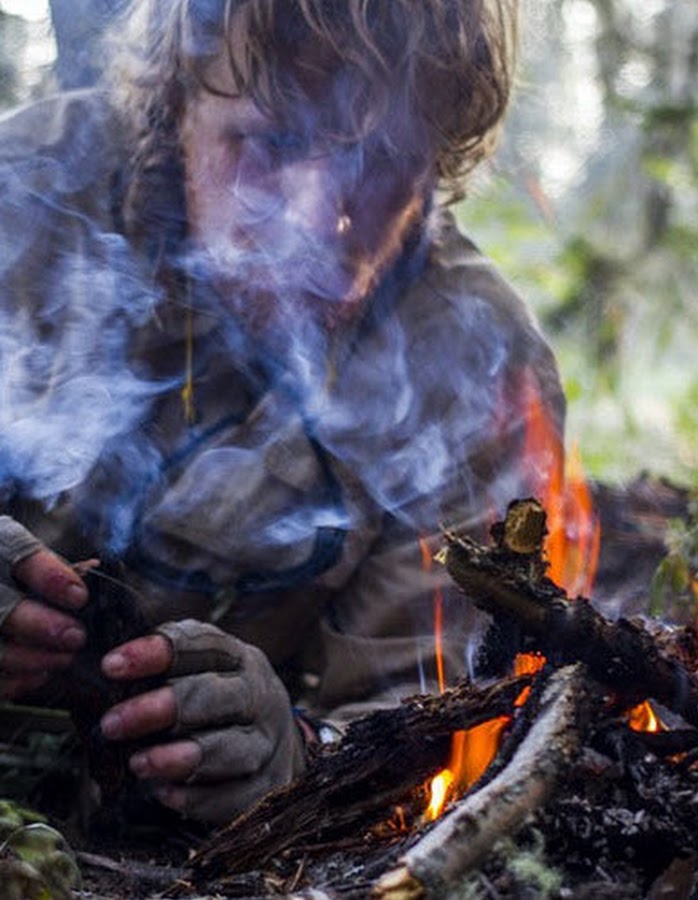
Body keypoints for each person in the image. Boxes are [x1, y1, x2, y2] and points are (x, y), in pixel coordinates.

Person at [0, 0, 564, 824]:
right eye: (272, 143)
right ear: (177, 104)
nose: (317, 219)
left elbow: (445, 728)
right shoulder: (27, 197)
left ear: (441, 158)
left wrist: (300, 759)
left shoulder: (477, 366)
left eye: (381, 160)